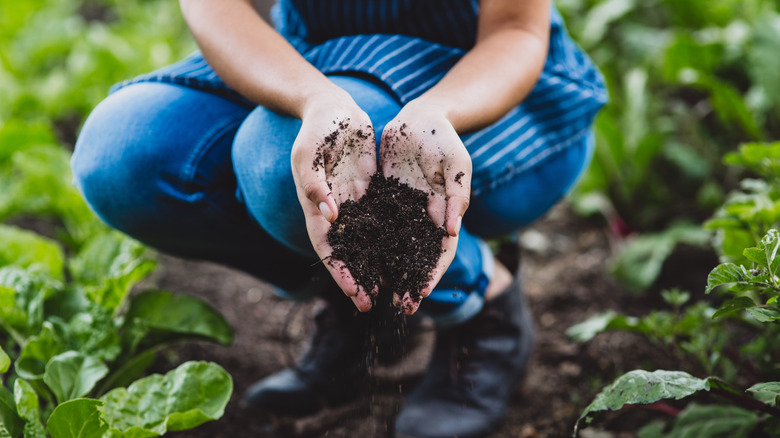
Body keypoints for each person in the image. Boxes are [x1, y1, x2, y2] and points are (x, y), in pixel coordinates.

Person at [71, 0, 606, 436]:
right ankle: (362, 303)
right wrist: (312, 96)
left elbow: (515, 28)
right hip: (318, 60)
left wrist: (438, 111)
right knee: (123, 157)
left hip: (481, 80)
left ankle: (483, 306)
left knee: (277, 161)